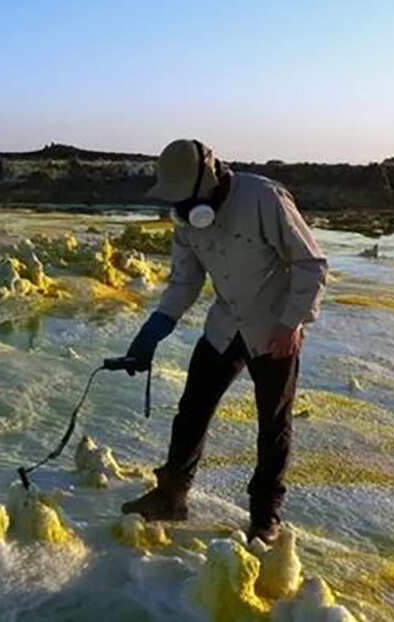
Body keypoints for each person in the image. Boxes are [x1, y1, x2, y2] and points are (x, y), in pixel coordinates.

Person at [120, 139, 328, 543]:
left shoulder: (264, 198)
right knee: (192, 408)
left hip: (273, 328)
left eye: (185, 198)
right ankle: (172, 495)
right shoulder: (186, 217)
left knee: (273, 425)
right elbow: (185, 281)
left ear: (210, 179)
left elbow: (311, 264)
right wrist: (156, 327)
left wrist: (292, 323)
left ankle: (265, 517)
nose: (179, 208)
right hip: (225, 323)